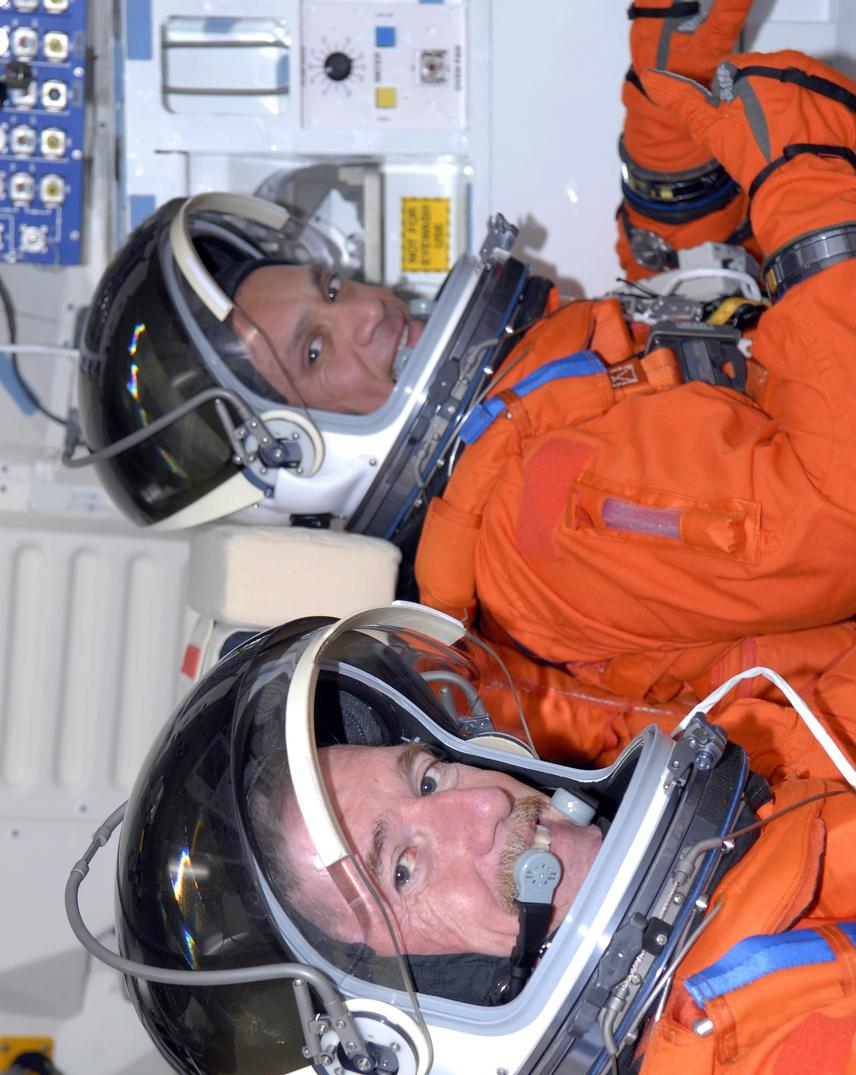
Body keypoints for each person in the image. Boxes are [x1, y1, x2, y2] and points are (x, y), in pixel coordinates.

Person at [77, 5, 856, 790]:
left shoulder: (526, 414)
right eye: (315, 351)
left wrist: (670, 94)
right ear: (304, 462)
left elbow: (697, 304)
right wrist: (808, 183)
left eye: (333, 285)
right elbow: (832, 517)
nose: (370, 310)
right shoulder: (542, 516)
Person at [102, 601, 856, 1075]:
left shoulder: (770, 829)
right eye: (401, 869)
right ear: (432, 999)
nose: (490, 802)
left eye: (428, 780)